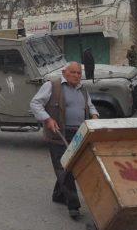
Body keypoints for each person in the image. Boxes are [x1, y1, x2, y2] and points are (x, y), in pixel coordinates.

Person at [30, 61, 99, 220]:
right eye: (73, 72)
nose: (76, 76)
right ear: (64, 72)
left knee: (71, 166)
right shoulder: (52, 86)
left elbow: (90, 106)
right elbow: (35, 104)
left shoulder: (82, 89)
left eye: (79, 73)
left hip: (79, 134)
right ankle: (73, 206)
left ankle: (58, 194)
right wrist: (47, 119)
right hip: (59, 133)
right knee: (64, 168)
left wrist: (94, 115)